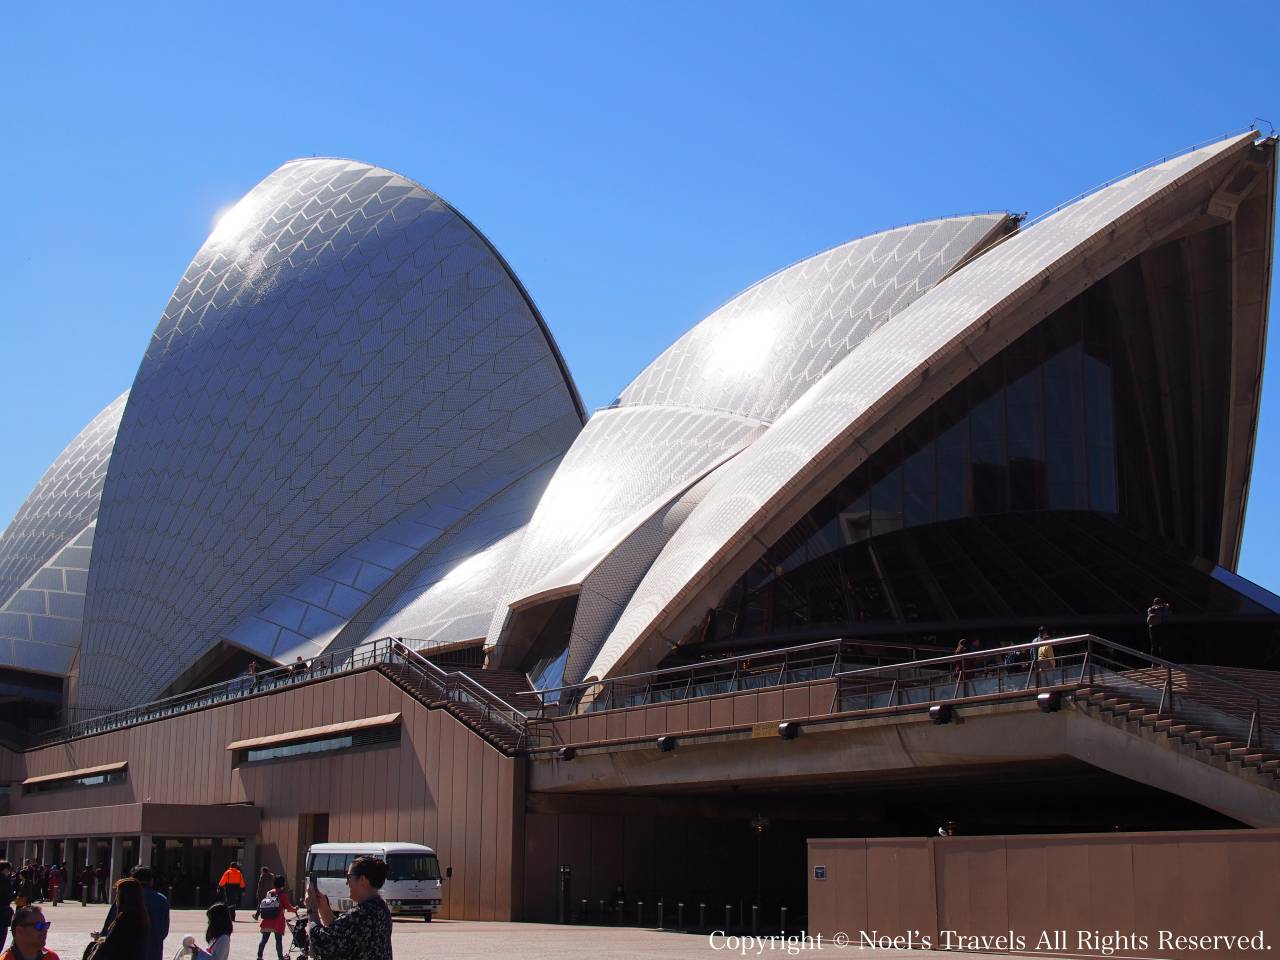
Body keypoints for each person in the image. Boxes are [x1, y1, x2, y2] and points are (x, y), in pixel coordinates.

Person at [305, 856, 392, 960]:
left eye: (349, 877)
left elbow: (323, 944)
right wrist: (323, 908)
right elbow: (340, 933)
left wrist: (312, 910)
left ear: (363, 879)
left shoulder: (359, 915)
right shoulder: (381, 908)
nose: (347, 882)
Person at [101, 866, 169, 960]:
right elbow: (164, 930)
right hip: (153, 952)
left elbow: (109, 928)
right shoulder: (162, 900)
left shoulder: (126, 898)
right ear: (151, 880)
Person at [93, 878, 149, 960]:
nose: (116, 898)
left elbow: (110, 945)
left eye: (117, 893)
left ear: (124, 897)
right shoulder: (142, 916)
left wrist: (99, 941)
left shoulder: (125, 918)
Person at [256, 875, 298, 960]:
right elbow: (288, 908)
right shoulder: (283, 895)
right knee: (278, 941)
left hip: (267, 919)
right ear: (283, 884)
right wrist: (295, 909)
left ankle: (259, 956)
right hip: (277, 921)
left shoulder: (269, 893)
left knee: (264, 940)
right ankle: (280, 957)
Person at [0, 862, 16, 955]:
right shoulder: (5, 880)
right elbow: (9, 896)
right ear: (5, 869)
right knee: (1, 937)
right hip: (2, 913)